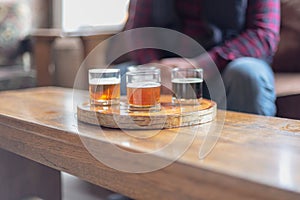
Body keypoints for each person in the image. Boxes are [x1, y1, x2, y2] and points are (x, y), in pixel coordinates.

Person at [119, 0, 280, 116]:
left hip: (226, 66)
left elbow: (263, 35)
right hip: (168, 69)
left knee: (247, 75)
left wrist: (199, 65)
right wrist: (155, 69)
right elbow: (138, 31)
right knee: (117, 78)